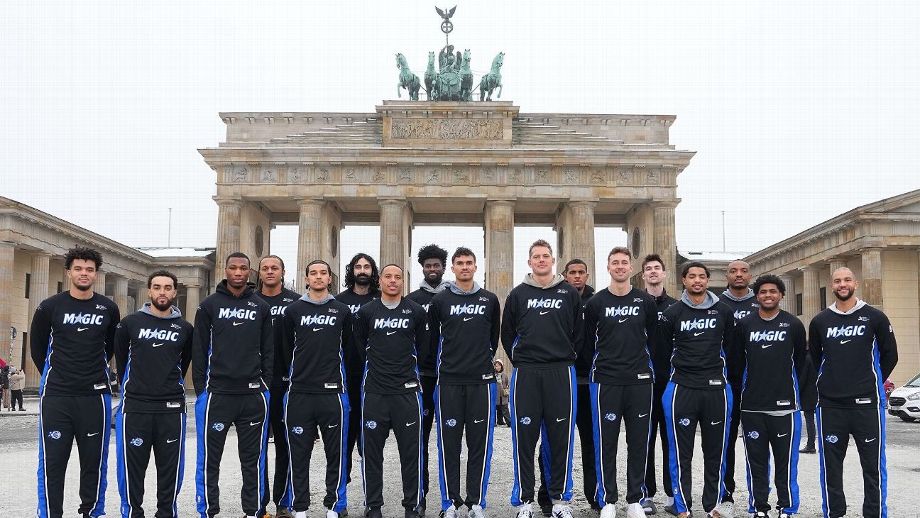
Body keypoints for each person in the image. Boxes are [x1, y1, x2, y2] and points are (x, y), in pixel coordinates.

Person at [30, 246, 121, 518]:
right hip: (57, 397)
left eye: (89, 269)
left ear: (96, 274)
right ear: (68, 272)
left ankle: (91, 512)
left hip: (95, 397)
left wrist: (89, 374)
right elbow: (37, 349)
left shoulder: (108, 308)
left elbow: (109, 347)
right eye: (78, 268)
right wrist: (59, 375)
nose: (84, 273)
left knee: (94, 463)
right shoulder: (49, 307)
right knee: (52, 464)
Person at [809, 267, 898, 518]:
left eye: (847, 280)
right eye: (837, 281)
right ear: (832, 285)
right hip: (830, 406)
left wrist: (868, 380)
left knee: (873, 467)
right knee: (831, 467)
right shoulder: (820, 321)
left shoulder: (875, 317)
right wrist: (830, 383)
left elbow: (891, 355)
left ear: (855, 284)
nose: (842, 284)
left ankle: (874, 513)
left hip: (867, 404)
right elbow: (814, 359)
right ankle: (834, 512)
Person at [501, 239, 581, 518]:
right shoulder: (518, 294)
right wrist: (521, 359)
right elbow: (507, 333)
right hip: (527, 373)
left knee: (560, 440)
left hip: (561, 372)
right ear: (530, 262)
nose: (541, 260)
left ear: (553, 260)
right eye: (536, 256)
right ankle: (524, 502)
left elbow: (579, 333)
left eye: (546, 256)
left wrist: (566, 356)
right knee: (524, 440)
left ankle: (560, 501)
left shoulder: (569, 293)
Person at [193, 252, 273, 518]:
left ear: (250, 272)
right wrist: (202, 389)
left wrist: (265, 384)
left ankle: (253, 511)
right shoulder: (209, 305)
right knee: (209, 459)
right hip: (218, 394)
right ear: (225, 270)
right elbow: (199, 349)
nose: (238, 272)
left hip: (252, 395)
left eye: (243, 268)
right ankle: (208, 510)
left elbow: (268, 350)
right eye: (233, 267)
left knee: (253, 459)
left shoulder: (261, 306)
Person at [581, 247, 658, 518]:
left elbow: (653, 339)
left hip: (639, 381)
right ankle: (608, 500)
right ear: (608, 267)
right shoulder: (596, 303)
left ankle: (636, 499)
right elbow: (587, 343)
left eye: (624, 262)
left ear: (631, 268)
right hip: (606, 380)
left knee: (639, 441)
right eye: (615, 262)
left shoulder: (645, 301)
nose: (620, 266)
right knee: (606, 442)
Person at [427, 247, 501, 518]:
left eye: (469, 262)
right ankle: (450, 504)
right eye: (460, 263)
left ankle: (476, 502)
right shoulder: (440, 300)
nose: (465, 266)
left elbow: (493, 338)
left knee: (480, 446)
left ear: (476, 267)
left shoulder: (489, 299)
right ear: (453, 268)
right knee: (449, 446)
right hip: (448, 382)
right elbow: (432, 341)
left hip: (482, 383)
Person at [113, 270, 194, 518]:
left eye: (167, 287)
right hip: (135, 407)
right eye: (157, 287)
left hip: (171, 409)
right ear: (149, 291)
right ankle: (132, 513)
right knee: (132, 469)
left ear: (174, 292)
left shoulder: (185, 328)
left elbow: (184, 364)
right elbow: (122, 362)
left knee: (170, 469)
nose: (162, 292)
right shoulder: (129, 323)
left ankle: (166, 513)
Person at [658, 261, 734, 518]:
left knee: (716, 452)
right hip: (682, 388)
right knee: (681, 453)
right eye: (692, 276)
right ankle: (682, 506)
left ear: (708, 280)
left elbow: (731, 349)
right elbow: (663, 352)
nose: (697, 280)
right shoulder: (672, 313)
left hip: (716, 389)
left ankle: (713, 505)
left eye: (702, 276)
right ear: (684, 280)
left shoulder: (723, 311)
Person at [280, 260, 355, 518]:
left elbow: (350, 350)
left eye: (323, 273)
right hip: (299, 393)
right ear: (306, 278)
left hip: (333, 393)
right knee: (298, 455)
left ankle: (334, 506)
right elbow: (285, 349)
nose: (319, 277)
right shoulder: (292, 311)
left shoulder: (342, 311)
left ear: (330, 279)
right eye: (313, 273)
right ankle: (299, 507)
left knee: (336, 454)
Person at [353, 264, 429, 518]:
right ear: (380, 281)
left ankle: (412, 505)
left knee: (411, 453)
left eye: (398, 277)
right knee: (371, 453)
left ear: (403, 282)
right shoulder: (366, 312)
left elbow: (424, 348)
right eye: (388, 276)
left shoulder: (416, 311)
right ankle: (373, 505)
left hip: (407, 392)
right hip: (375, 392)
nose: (393, 281)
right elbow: (359, 346)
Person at [732, 275, 806, 518]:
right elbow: (737, 364)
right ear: (757, 296)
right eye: (763, 292)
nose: (768, 295)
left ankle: (787, 507)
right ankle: (759, 507)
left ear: (781, 295)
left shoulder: (793, 324)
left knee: (786, 463)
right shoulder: (745, 325)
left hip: (785, 408)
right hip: (752, 407)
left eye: (773, 291)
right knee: (756, 462)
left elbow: (800, 364)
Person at [545, 258, 598, 514]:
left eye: (581, 272)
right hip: (560, 379)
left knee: (591, 442)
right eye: (572, 272)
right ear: (565, 275)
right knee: (553, 441)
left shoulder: (597, 302)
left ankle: (596, 496)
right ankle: (547, 496)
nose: (577, 276)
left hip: (589, 382)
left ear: (587, 275)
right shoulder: (556, 299)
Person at [256, 255, 301, 518]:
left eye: (275, 268)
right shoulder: (250, 302)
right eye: (265, 268)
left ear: (283, 272)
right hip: (256, 383)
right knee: (257, 447)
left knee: (286, 445)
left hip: (286, 383)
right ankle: (258, 503)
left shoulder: (296, 303)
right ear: (259, 273)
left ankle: (284, 502)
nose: (270, 272)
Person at [408, 244, 450, 515]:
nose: (432, 269)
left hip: (448, 376)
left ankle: (452, 500)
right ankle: (419, 495)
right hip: (422, 377)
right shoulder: (412, 299)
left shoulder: (453, 297)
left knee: (450, 440)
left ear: (443, 268)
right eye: (428, 265)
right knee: (419, 440)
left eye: (436, 265)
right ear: (422, 268)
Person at [336, 252, 381, 481]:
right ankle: (340, 491)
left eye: (367, 267)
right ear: (351, 271)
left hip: (373, 378)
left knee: (370, 439)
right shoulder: (339, 301)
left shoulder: (381, 300)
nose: (362, 271)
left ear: (373, 271)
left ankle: (371, 493)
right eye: (358, 267)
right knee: (345, 436)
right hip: (345, 377)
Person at [718, 260, 759, 511]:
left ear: (750, 275)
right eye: (733, 271)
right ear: (727, 276)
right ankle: (726, 495)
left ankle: (759, 499)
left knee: (757, 442)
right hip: (727, 383)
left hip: (757, 383)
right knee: (726, 441)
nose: (739, 275)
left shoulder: (761, 302)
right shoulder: (717, 304)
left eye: (743, 271)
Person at [641, 253, 678, 514]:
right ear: (643, 275)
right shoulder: (636, 304)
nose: (653, 272)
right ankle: (645, 494)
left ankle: (673, 493)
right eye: (649, 269)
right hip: (641, 382)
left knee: (671, 439)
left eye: (657, 268)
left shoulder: (676, 307)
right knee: (644, 440)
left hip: (670, 382)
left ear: (664, 273)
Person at [798, 354, 818, 454]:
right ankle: (812, 444)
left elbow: (803, 378)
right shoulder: (816, 357)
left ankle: (811, 445)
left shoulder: (807, 358)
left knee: (809, 420)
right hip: (816, 391)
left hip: (808, 393)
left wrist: (797, 391)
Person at [494, 360, 511, 427]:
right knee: (496, 408)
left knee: (505, 408)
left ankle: (509, 423)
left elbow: (507, 383)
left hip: (503, 395)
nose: (497, 367)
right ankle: (498, 421)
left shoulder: (504, 375)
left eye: (499, 366)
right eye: (496, 366)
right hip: (496, 395)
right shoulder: (493, 375)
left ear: (501, 366)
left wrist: (506, 388)